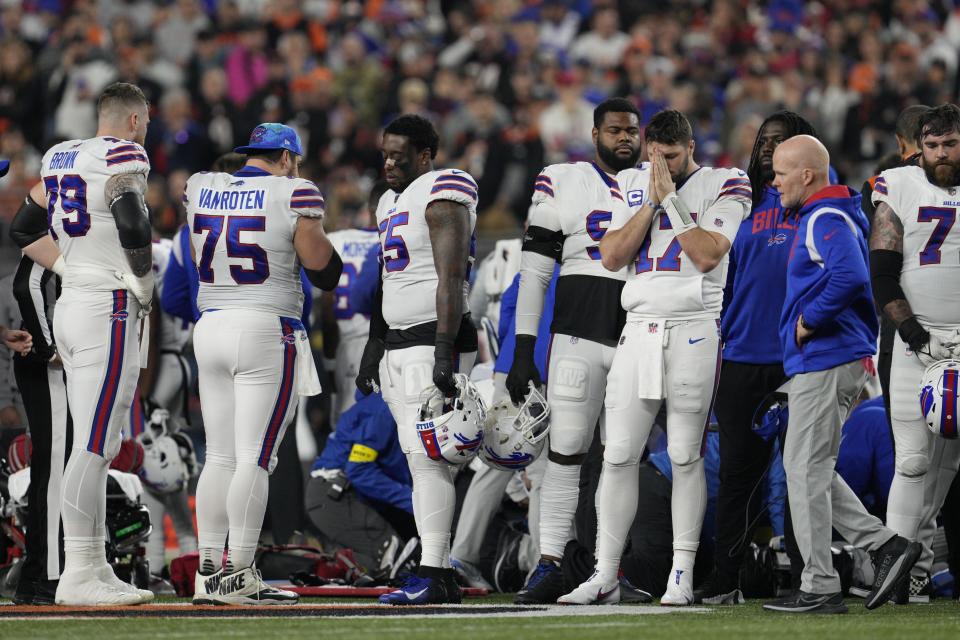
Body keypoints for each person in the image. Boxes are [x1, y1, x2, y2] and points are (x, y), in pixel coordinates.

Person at [562, 109, 751, 606]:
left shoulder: (726, 181)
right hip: (637, 330)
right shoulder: (632, 182)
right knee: (619, 454)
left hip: (693, 330)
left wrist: (672, 202)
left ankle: (681, 574)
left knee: (687, 454)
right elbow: (611, 256)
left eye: (670, 158)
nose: (660, 167)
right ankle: (604, 573)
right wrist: (650, 202)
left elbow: (707, 253)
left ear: (690, 148)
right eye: (654, 158)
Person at [9, 82, 156, 606]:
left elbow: (23, 228)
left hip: (74, 304)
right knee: (92, 445)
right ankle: (78, 571)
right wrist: (141, 279)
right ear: (136, 121)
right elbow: (133, 220)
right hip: (108, 308)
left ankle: (93, 566)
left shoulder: (60, 156)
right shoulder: (124, 154)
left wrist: (70, 267)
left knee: (99, 443)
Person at [764, 134, 919, 614]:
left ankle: (820, 583)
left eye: (781, 172)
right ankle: (886, 546)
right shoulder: (839, 212)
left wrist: (809, 321)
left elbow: (850, 274)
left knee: (803, 470)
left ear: (807, 174)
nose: (774, 182)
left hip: (826, 357)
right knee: (811, 468)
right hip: (840, 359)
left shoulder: (822, 216)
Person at [187, 122, 341, 606]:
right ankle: (238, 573)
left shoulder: (202, 186)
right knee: (255, 457)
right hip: (265, 328)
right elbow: (325, 270)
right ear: (288, 158)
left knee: (219, 456)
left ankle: (208, 571)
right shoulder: (294, 192)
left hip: (210, 323)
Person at [505, 97, 642, 605]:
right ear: (595, 133)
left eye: (632, 130)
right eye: (614, 130)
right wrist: (524, 349)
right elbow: (536, 270)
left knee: (622, 459)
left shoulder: (656, 179)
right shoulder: (560, 178)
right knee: (563, 455)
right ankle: (551, 562)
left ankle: (608, 569)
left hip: (637, 337)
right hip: (576, 335)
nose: (624, 138)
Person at [355, 114, 479, 605]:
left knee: (429, 461)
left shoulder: (442, 190)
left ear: (426, 155)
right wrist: (374, 343)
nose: (387, 163)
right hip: (400, 344)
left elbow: (449, 277)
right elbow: (389, 279)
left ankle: (434, 570)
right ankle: (440, 569)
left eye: (398, 155)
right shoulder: (388, 202)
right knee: (424, 460)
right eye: (384, 154)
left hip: (432, 339)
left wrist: (445, 352)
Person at [695, 110, 818, 605]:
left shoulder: (819, 201)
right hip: (743, 353)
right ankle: (727, 575)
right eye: (764, 140)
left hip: (801, 354)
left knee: (801, 471)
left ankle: (809, 575)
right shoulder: (738, 201)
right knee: (738, 472)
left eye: (782, 140)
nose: (769, 147)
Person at [870, 103, 960, 602]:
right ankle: (896, 571)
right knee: (912, 462)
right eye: (933, 145)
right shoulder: (898, 185)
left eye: (950, 144)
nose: (941, 154)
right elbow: (882, 269)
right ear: (919, 147)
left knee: (946, 466)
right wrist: (912, 331)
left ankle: (921, 565)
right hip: (915, 344)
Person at [861, 105, 930, 424]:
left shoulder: (879, 185)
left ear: (901, 143)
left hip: (899, 321)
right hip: (950, 314)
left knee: (905, 448)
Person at [8, 253, 70, 606]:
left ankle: (35, 577)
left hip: (56, 353)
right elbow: (26, 283)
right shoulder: (55, 217)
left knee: (53, 468)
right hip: (52, 359)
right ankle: (50, 575)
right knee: (57, 469)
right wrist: (48, 349)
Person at [304, 391, 415, 569]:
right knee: (402, 566)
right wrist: (413, 501)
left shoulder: (390, 404)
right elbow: (359, 470)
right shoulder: (385, 408)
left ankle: (337, 560)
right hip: (337, 494)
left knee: (425, 555)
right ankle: (315, 562)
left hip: (354, 495)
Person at [323, 182, 385, 424]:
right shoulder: (401, 240)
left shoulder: (337, 240)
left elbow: (327, 307)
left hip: (349, 346)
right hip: (391, 342)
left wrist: (328, 360)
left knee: (347, 425)